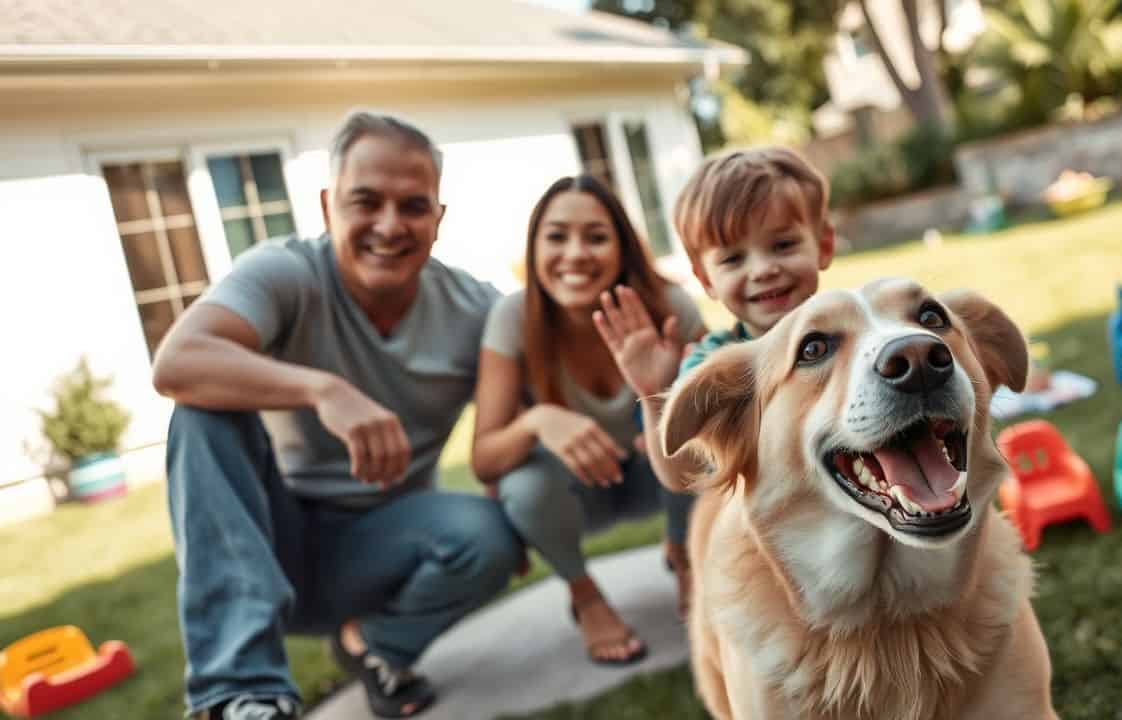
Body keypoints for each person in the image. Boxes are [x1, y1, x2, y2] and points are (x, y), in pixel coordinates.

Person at [152, 111, 522, 720]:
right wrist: (323, 390)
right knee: (203, 413)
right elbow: (177, 362)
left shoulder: (475, 308)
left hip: (384, 549)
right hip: (269, 546)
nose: (388, 225)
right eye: (365, 201)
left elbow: (534, 405)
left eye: (412, 206)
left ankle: (372, 648)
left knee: (488, 534)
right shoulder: (286, 272)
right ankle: (241, 693)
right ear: (328, 206)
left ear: (438, 218)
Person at [471, 175, 706, 666]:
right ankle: (585, 595)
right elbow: (484, 460)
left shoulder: (668, 308)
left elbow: (727, 425)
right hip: (574, 495)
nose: (575, 253)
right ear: (534, 248)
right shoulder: (512, 318)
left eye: (596, 237)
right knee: (523, 485)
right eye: (556, 236)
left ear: (622, 248)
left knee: (698, 441)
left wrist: (662, 404)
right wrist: (538, 419)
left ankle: (686, 557)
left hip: (659, 482)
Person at [594, 146, 835, 493]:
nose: (764, 270)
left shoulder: (859, 335)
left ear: (823, 245)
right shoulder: (713, 367)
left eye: (783, 245)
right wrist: (651, 394)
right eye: (734, 259)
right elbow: (680, 475)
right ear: (705, 279)